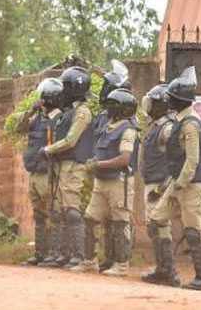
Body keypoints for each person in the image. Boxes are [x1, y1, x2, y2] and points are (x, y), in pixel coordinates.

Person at [149, 66, 201, 292]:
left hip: (190, 184)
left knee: (194, 230)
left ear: (180, 101)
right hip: (179, 182)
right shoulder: (181, 120)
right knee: (156, 219)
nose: (169, 102)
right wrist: (172, 184)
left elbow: (193, 161)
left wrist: (178, 184)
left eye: (172, 99)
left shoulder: (190, 124)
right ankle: (165, 271)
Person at [71, 88, 138, 277]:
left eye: (112, 106)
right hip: (101, 181)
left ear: (121, 109)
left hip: (119, 181)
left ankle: (121, 265)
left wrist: (98, 164)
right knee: (90, 218)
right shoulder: (107, 125)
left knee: (120, 222)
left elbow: (124, 159)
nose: (108, 108)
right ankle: (89, 261)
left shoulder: (128, 130)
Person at [39, 66, 93, 269]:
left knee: (71, 210)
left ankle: (78, 255)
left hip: (74, 165)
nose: (62, 91)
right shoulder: (69, 112)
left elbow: (71, 141)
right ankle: (63, 254)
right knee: (60, 210)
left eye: (66, 86)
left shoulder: (83, 112)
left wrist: (48, 149)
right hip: (63, 165)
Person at [15, 78, 64, 266]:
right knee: (39, 215)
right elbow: (20, 128)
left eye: (43, 97)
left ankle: (54, 253)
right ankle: (40, 253)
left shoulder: (59, 119)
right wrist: (31, 110)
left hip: (48, 173)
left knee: (53, 214)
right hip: (35, 172)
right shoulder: (37, 117)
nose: (41, 100)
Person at [92, 59, 132, 273]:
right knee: (104, 219)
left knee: (119, 220)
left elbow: (126, 155)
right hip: (102, 174)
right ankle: (108, 259)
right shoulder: (104, 117)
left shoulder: (128, 120)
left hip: (119, 176)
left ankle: (121, 261)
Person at [138, 84, 179, 286]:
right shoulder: (156, 125)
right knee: (154, 227)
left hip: (159, 184)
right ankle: (162, 269)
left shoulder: (168, 127)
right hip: (152, 182)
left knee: (160, 226)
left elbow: (177, 159)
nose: (148, 104)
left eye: (152, 101)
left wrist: (162, 188)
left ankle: (169, 272)